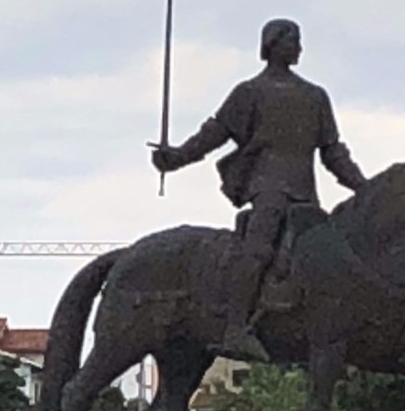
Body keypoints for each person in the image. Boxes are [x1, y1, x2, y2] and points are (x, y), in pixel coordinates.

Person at [152, 18, 366, 362]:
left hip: (306, 195)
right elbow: (214, 134)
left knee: (325, 258)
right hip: (267, 188)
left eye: (299, 40)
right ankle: (236, 327)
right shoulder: (249, 93)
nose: (299, 47)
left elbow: (333, 152)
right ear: (272, 45)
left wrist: (364, 187)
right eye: (292, 40)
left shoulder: (315, 96)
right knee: (258, 250)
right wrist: (176, 158)